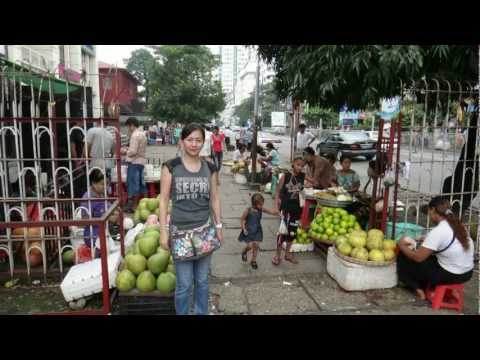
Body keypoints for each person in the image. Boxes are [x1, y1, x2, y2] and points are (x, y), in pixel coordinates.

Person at [159, 123, 223, 315]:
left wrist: (219, 226)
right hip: (180, 234)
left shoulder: (210, 168)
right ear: (182, 141)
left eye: (198, 140)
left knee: (202, 281)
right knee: (184, 284)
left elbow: (215, 198)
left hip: (205, 230)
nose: (194, 144)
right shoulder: (171, 167)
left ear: (204, 142)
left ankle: (201, 312)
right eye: (190, 140)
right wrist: (163, 231)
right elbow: (163, 200)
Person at [397, 196, 474, 304]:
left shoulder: (439, 231)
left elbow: (418, 258)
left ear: (432, 210)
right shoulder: (458, 225)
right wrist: (425, 239)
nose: (429, 216)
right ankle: (438, 289)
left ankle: (418, 289)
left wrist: (402, 245)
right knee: (431, 260)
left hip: (451, 274)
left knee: (404, 257)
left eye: (429, 212)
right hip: (467, 274)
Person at [272, 156, 305, 265]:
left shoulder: (303, 176)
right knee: (282, 232)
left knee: (292, 232)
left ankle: (287, 254)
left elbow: (312, 182)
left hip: (297, 209)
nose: (300, 167)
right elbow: (277, 192)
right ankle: (277, 255)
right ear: (293, 164)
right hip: (286, 208)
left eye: (302, 165)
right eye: (298, 164)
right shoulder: (285, 176)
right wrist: (276, 207)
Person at [80, 169, 117, 255]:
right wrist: (106, 218)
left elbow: (108, 207)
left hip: (106, 231)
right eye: (102, 184)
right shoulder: (88, 198)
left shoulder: (101, 193)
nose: (105, 187)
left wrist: (114, 212)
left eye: (107, 184)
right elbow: (84, 221)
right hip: (94, 235)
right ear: (93, 183)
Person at [239, 193, 279, 269]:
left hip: (257, 230)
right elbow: (242, 219)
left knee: (256, 245)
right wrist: (243, 228)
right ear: (254, 204)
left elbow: (270, 211)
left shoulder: (261, 209)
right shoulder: (248, 210)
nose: (261, 206)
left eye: (262, 204)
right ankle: (244, 251)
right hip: (249, 230)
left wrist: (276, 213)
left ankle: (253, 260)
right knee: (250, 246)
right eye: (260, 204)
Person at [121, 117, 147, 212]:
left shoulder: (135, 135)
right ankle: (144, 203)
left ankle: (134, 206)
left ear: (132, 125)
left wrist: (124, 151)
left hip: (134, 162)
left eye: (128, 127)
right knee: (141, 183)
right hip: (141, 162)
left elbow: (133, 151)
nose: (128, 129)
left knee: (133, 184)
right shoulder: (142, 134)